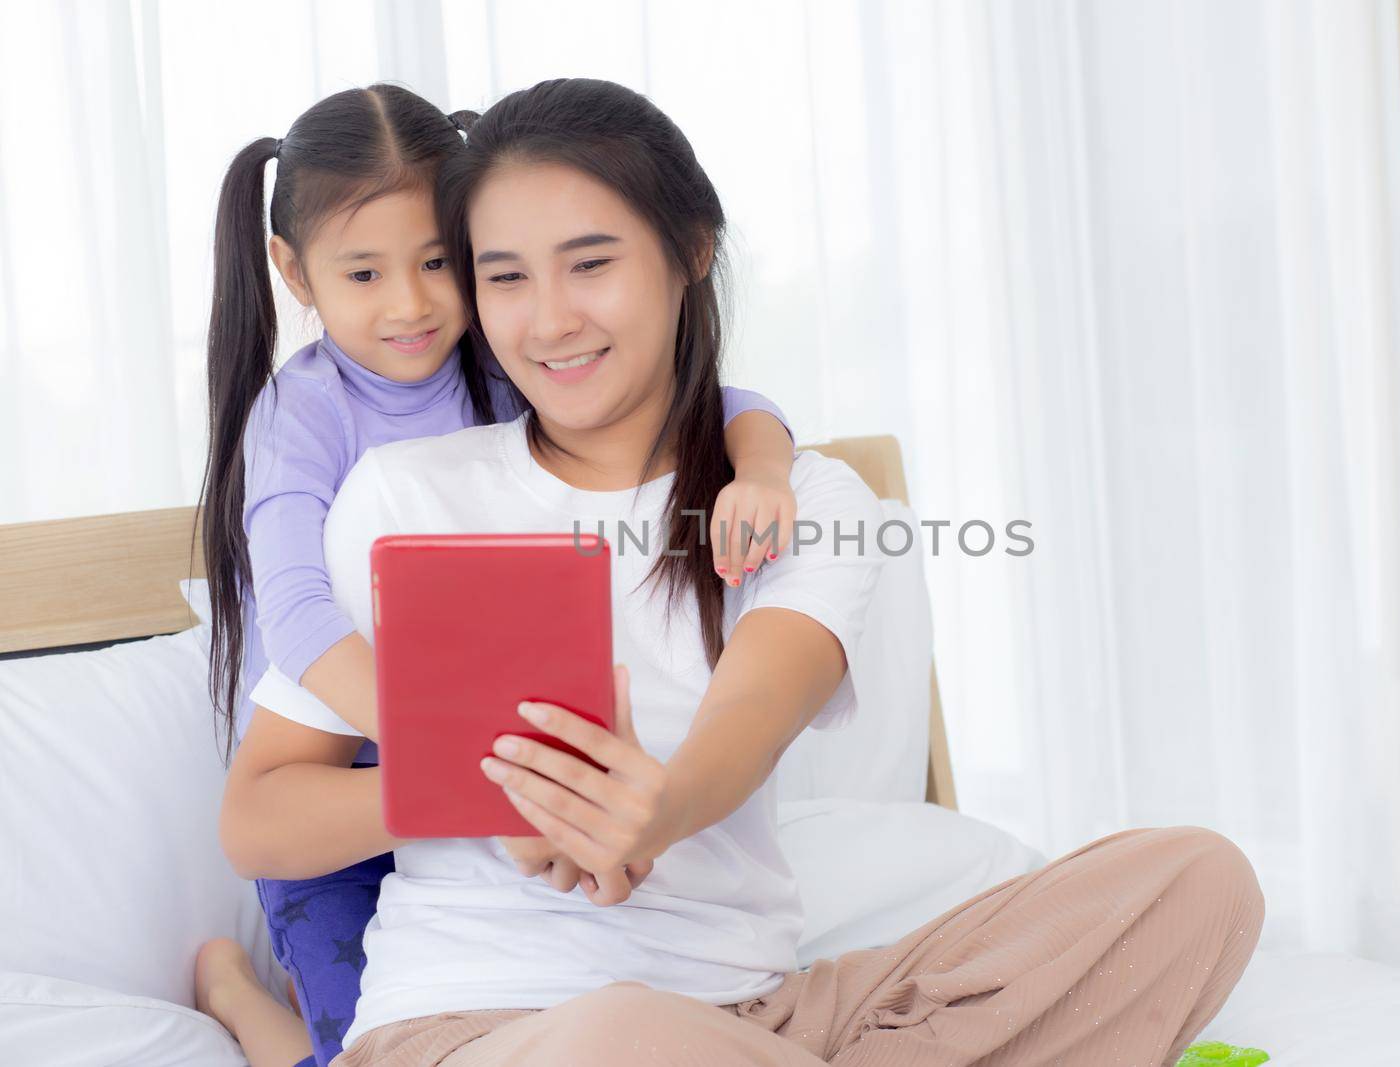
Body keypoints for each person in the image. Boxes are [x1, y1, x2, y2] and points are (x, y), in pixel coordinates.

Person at [205, 78, 1264, 1067]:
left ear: (689, 251)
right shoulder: (400, 494)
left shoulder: (799, 498)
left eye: (591, 263)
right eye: (505, 277)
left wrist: (649, 811)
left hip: (762, 1017)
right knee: (616, 1031)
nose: (550, 318)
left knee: (1194, 881)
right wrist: (482, 787)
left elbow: (750, 718)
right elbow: (260, 815)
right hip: (486, 1026)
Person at [193, 82, 799, 1067]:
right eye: (364, 273)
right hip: (350, 745)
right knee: (353, 1045)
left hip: (489, 739)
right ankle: (239, 997)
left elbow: (721, 395)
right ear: (294, 274)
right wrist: (440, 743)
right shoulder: (299, 417)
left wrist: (763, 469)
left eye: (440, 261)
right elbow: (300, 615)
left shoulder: (506, 356)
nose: (412, 303)